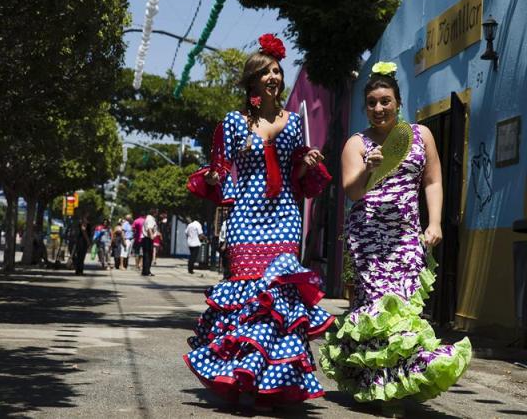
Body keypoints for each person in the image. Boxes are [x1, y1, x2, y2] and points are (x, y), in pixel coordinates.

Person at [183, 34, 334, 406]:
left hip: (283, 216)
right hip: (245, 218)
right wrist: (216, 179)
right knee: (248, 297)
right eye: (266, 72)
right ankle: (242, 376)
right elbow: (218, 170)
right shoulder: (233, 123)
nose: (274, 77)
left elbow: (298, 176)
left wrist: (307, 164)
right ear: (252, 81)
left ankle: (273, 379)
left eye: (278, 72)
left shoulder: (294, 122)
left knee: (277, 296)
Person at [319, 62, 471, 408]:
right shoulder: (357, 144)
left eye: (385, 101)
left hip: (406, 237)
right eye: (371, 102)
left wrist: (434, 224)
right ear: (365, 107)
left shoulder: (421, 136)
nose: (378, 108)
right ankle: (378, 384)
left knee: (403, 309)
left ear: (398, 102)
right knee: (376, 308)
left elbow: (432, 180)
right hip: (368, 239)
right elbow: (352, 191)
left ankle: (396, 383)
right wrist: (368, 169)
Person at [140, 209, 157, 277]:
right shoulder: (150, 219)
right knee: (148, 255)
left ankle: (145, 271)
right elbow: (149, 228)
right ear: (154, 213)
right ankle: (147, 271)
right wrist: (152, 236)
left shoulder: (148, 218)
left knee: (146, 255)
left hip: (146, 238)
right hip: (148, 238)